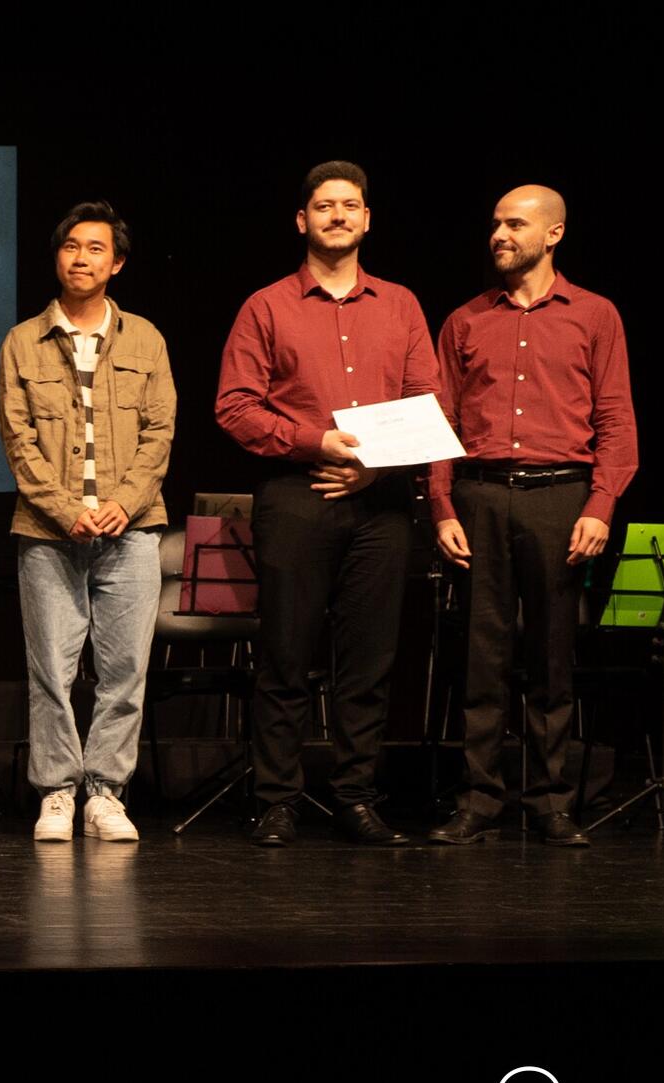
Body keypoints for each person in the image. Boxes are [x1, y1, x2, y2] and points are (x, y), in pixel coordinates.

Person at [215, 161, 440, 847]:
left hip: (380, 502)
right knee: (285, 655)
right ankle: (277, 800)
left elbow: (426, 402)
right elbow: (235, 406)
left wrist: (373, 466)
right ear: (301, 220)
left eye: (349, 205)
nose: (337, 215)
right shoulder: (266, 306)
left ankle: (355, 798)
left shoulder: (400, 304)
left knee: (368, 661)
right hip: (298, 493)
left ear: (367, 219)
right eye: (323, 206)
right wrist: (317, 442)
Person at [426, 186, 638, 848]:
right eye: (495, 223)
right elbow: (440, 421)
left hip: (559, 496)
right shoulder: (465, 320)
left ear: (553, 234)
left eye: (515, 224)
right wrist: (441, 506)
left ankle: (550, 800)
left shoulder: (595, 314)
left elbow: (616, 418)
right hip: (481, 496)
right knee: (481, 656)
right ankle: (479, 798)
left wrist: (600, 505)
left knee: (552, 657)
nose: (499, 234)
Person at [0, 202, 176, 843]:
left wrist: (124, 501)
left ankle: (105, 793)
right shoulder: (23, 340)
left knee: (125, 670)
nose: (81, 258)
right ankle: (56, 791)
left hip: (133, 528)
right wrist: (66, 509)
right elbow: (18, 439)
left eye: (96, 248)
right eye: (71, 246)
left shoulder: (146, 339)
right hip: (49, 532)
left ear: (117, 263)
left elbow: (159, 432)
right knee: (52, 669)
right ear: (57, 257)